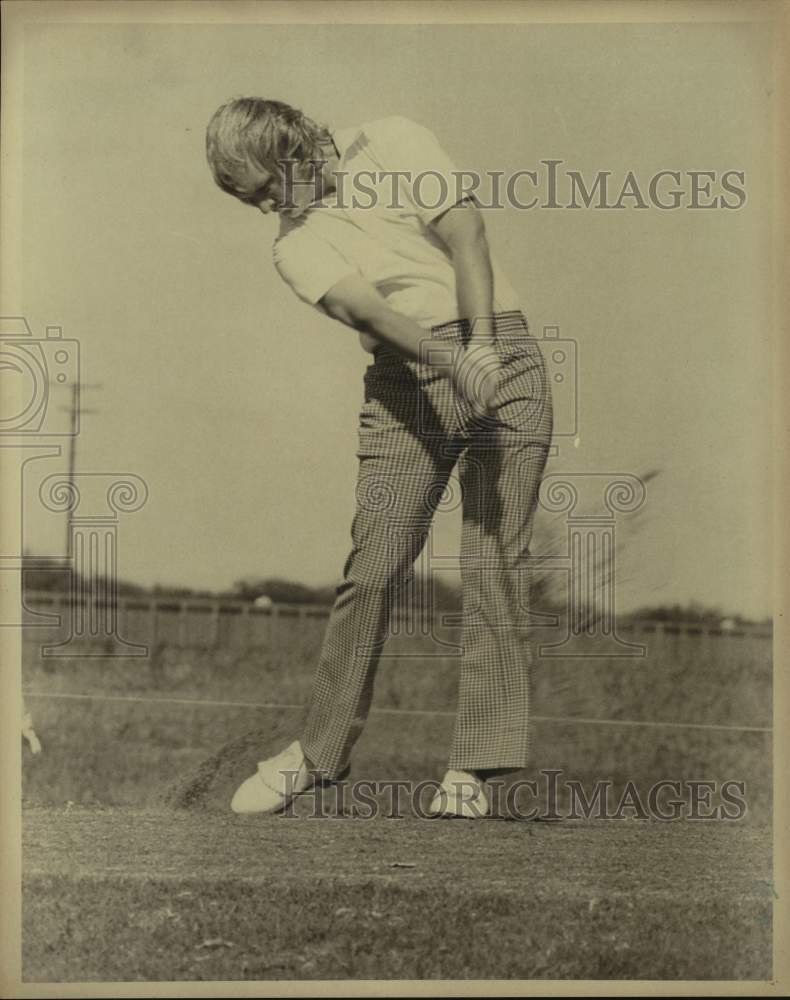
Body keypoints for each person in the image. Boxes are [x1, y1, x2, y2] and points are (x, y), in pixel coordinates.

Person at [205, 98, 553, 818]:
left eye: (264, 186)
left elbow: (466, 232)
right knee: (375, 564)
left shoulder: (393, 138)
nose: (265, 206)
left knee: (494, 563)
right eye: (250, 200)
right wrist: (454, 363)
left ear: (287, 147)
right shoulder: (292, 245)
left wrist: (483, 345)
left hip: (505, 352)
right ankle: (317, 753)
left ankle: (470, 770)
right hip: (405, 378)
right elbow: (372, 315)